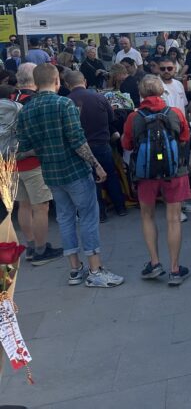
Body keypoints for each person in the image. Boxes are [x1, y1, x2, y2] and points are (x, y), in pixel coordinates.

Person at [16, 63, 124, 288]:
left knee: (65, 219)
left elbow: (24, 146)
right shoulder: (64, 103)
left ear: (35, 83)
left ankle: (75, 269)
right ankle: (95, 270)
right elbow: (77, 141)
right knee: (88, 218)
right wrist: (97, 165)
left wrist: (47, 145)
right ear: (57, 81)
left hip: (51, 172)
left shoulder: (26, 109)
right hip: (74, 170)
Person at [121, 76, 191, 286]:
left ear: (141, 94)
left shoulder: (134, 117)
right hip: (174, 172)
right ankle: (175, 269)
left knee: (148, 216)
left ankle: (154, 262)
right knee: (174, 219)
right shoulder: (175, 113)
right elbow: (185, 137)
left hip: (146, 174)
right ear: (162, 92)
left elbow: (127, 144)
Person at [6, 66, 62, 266]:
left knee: (24, 205)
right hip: (32, 162)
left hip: (11, 163)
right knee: (41, 207)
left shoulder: (10, 99)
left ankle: (30, 245)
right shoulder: (33, 101)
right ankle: (40, 250)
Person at [65, 70, 128, 222]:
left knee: (91, 180)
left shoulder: (66, 101)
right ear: (85, 81)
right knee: (111, 175)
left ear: (67, 85)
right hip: (102, 143)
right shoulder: (99, 97)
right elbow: (111, 118)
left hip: (80, 147)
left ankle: (100, 214)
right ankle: (120, 207)